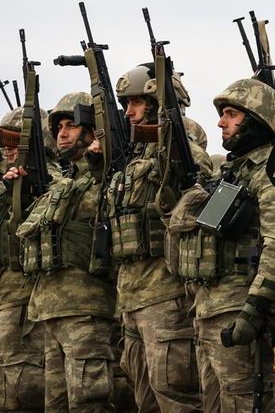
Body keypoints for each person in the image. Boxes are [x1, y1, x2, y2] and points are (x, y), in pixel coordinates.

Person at [168, 77, 275, 413]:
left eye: (230, 114)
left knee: (246, 401)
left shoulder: (271, 170)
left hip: (238, 308)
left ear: (256, 119)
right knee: (214, 403)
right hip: (209, 307)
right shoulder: (231, 172)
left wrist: (256, 307)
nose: (221, 123)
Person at [106, 65, 210, 413]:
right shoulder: (133, 161)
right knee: (144, 398)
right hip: (132, 296)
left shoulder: (181, 150)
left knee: (176, 397)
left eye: (137, 102)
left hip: (167, 296)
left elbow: (198, 190)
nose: (129, 112)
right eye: (126, 104)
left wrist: (172, 136)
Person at [16, 92, 117, 412]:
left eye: (71, 125)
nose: (62, 133)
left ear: (91, 129)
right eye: (58, 126)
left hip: (86, 307)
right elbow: (23, 233)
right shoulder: (61, 185)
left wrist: (103, 161)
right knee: (57, 404)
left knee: (88, 401)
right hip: (49, 307)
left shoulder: (107, 176)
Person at [0, 107, 57, 413]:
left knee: (16, 396)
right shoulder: (1, 186)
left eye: (14, 140)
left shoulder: (49, 182)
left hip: (20, 303)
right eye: (3, 141)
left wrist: (28, 188)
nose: (6, 148)